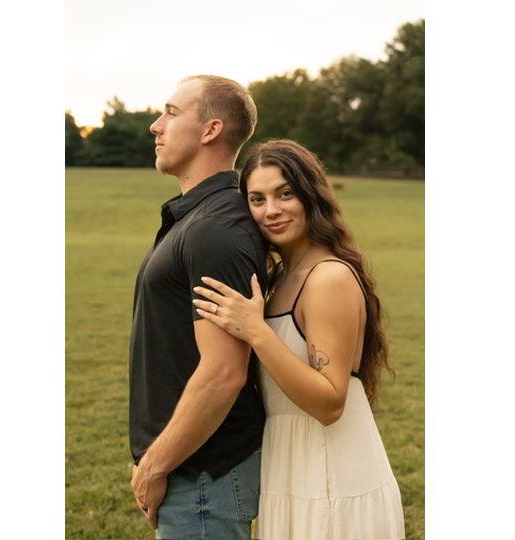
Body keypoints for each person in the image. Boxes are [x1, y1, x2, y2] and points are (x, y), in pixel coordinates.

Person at [193, 139, 406, 539]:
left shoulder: (328, 278)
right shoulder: (279, 279)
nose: (271, 210)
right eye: (257, 199)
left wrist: (256, 331)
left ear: (311, 195)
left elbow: (330, 403)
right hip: (290, 468)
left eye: (285, 194)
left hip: (332, 477)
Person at [129, 75, 268, 540]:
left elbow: (224, 371)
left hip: (203, 474)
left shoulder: (214, 230)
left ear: (210, 130)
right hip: (192, 469)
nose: (155, 125)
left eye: (170, 113)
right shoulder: (196, 218)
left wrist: (155, 463)